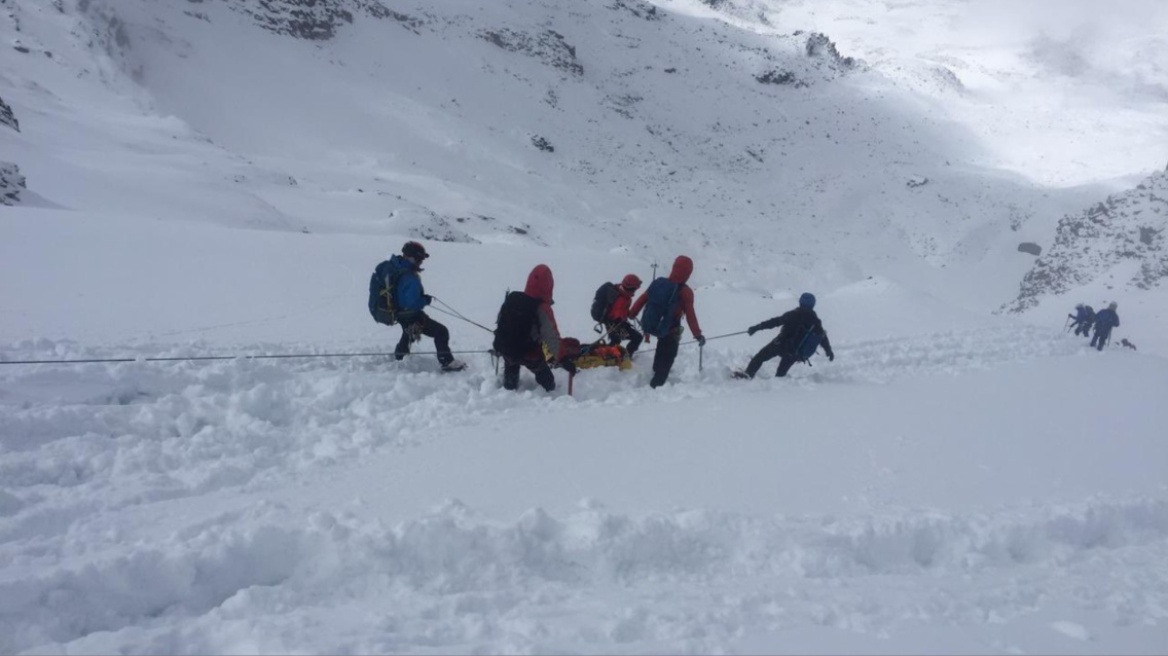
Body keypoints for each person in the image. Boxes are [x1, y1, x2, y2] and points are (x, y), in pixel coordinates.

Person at [368, 241, 465, 371]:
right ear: (412, 257)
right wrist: (425, 300)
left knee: (409, 332)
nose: (421, 262)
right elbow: (411, 304)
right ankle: (446, 362)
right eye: (420, 259)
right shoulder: (409, 277)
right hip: (408, 313)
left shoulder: (397, 267)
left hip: (398, 312)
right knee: (441, 332)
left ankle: (399, 357)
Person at [493, 264, 577, 391]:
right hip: (530, 353)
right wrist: (563, 359)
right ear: (549, 286)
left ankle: (508, 391)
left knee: (511, 366)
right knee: (546, 380)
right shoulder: (542, 308)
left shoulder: (513, 299)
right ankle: (549, 393)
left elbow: (500, 321)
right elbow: (551, 337)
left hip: (508, 349)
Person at [629, 255, 704, 388]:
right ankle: (657, 384)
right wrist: (697, 334)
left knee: (661, 346)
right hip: (671, 327)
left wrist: (632, 313)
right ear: (688, 273)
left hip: (656, 324)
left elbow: (643, 299)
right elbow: (690, 315)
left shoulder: (659, 282)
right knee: (669, 354)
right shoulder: (685, 291)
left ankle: (656, 371)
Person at [735, 292, 835, 379]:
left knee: (759, 357)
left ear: (800, 302)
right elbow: (822, 337)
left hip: (780, 345)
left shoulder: (793, 315)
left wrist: (756, 328)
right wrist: (829, 351)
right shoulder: (816, 321)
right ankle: (780, 391)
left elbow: (774, 322)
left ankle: (748, 375)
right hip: (795, 353)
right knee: (780, 374)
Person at [602, 274, 644, 357]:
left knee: (615, 340)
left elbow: (620, 311)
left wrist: (627, 313)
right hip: (615, 325)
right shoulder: (622, 299)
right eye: (635, 288)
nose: (635, 290)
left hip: (611, 323)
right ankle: (625, 357)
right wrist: (626, 317)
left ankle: (609, 354)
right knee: (637, 338)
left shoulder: (619, 291)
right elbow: (617, 314)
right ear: (631, 288)